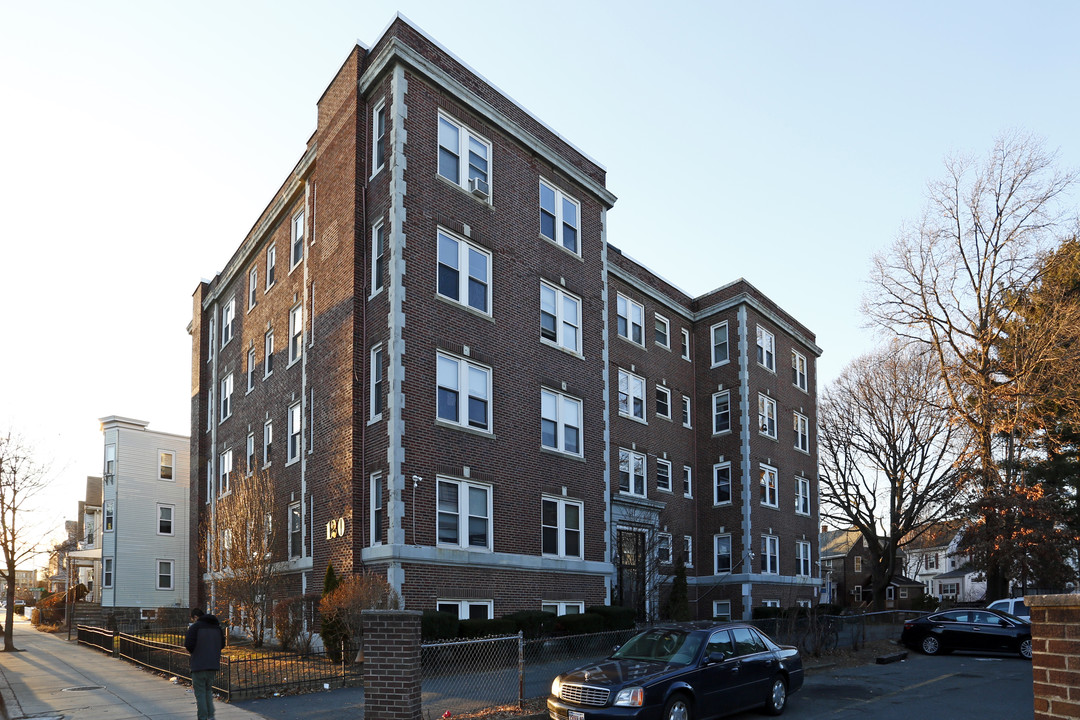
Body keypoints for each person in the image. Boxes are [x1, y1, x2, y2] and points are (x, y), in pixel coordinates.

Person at [184, 608, 225, 720]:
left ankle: (203, 717)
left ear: (196, 617)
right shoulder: (217, 628)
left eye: (193, 619)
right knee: (208, 691)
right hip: (213, 665)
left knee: (200, 693)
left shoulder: (195, 628)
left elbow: (188, 644)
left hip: (198, 665)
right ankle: (210, 716)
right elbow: (222, 644)